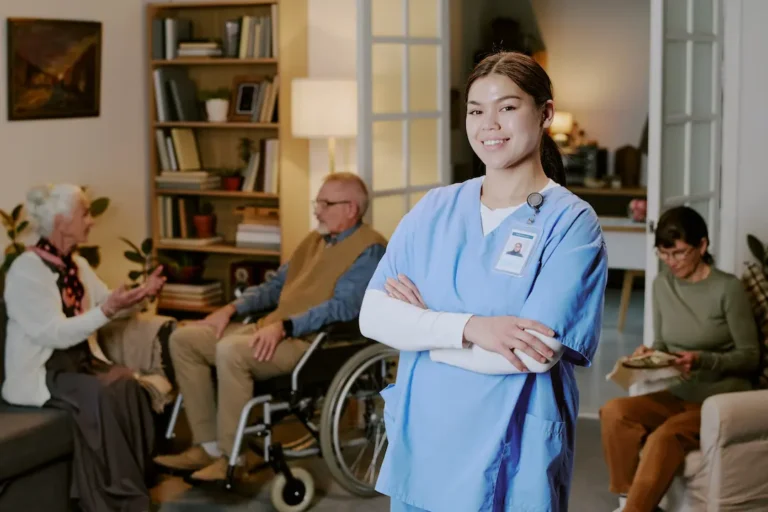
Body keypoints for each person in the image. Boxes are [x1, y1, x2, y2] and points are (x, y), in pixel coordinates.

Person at [359, 52, 609, 512]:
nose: (489, 124)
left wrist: (422, 331)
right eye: (476, 110)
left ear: (546, 113)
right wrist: (475, 328)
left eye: (508, 107)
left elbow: (532, 353)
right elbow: (373, 315)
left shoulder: (572, 223)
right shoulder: (435, 208)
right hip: (427, 441)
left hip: (514, 450)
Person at [155, 172, 387, 481]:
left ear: (351, 209)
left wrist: (287, 327)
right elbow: (275, 286)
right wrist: (230, 309)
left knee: (230, 351)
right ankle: (207, 447)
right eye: (317, 202)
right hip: (272, 328)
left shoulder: (369, 249)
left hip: (309, 343)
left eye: (325, 203)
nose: (316, 210)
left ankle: (231, 459)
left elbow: (342, 307)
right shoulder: (314, 240)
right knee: (185, 340)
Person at [2, 184, 167, 512]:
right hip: (47, 370)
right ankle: (116, 500)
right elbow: (54, 334)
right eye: (85, 213)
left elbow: (106, 303)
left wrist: (137, 296)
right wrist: (107, 309)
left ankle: (133, 484)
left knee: (126, 385)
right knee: (101, 394)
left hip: (79, 361)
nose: (91, 221)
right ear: (62, 222)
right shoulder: (26, 270)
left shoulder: (75, 263)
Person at [600, 206, 760, 512]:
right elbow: (663, 342)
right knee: (615, 412)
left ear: (702, 246)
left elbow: (750, 357)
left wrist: (702, 360)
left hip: (720, 398)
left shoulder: (727, 288)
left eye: (680, 253)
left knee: (665, 436)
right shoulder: (662, 285)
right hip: (680, 392)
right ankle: (630, 499)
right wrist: (649, 354)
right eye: (664, 253)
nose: (671, 262)